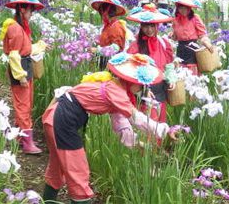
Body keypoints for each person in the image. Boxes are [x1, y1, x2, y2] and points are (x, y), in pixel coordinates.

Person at [40, 52, 179, 204]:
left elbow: (121, 126)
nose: (142, 88)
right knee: (78, 171)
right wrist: (165, 131)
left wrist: (139, 144)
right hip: (63, 120)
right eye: (140, 84)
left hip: (55, 118)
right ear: (130, 81)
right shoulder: (115, 90)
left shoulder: (114, 88)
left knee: (57, 167)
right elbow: (136, 119)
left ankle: (47, 201)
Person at [1, 0, 51, 154]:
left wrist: (41, 45)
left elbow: (26, 50)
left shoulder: (21, 27)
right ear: (22, 9)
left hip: (25, 67)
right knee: (23, 106)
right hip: (20, 70)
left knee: (26, 104)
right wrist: (20, 76)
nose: (31, 14)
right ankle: (27, 143)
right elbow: (14, 54)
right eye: (30, 10)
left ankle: (20, 136)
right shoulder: (15, 28)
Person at [126, 4, 175, 122]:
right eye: (146, 26)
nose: (149, 30)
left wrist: (171, 78)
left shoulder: (163, 43)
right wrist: (143, 90)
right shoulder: (135, 46)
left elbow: (168, 65)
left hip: (161, 90)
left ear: (157, 26)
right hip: (144, 92)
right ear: (141, 26)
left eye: (152, 26)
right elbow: (130, 72)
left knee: (160, 126)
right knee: (148, 128)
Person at [169, 0, 215, 75]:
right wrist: (172, 35)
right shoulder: (175, 20)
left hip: (192, 49)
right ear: (177, 8)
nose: (183, 10)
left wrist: (207, 43)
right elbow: (175, 37)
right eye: (181, 8)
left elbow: (202, 34)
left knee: (192, 74)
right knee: (180, 72)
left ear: (190, 8)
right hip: (180, 49)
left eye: (186, 8)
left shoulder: (195, 18)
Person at [88, 0, 129, 70]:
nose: (102, 15)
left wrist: (97, 50)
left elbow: (116, 48)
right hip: (104, 61)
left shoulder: (116, 26)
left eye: (103, 11)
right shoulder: (107, 26)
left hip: (113, 64)